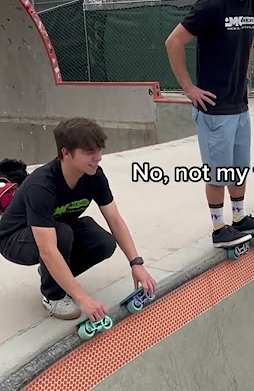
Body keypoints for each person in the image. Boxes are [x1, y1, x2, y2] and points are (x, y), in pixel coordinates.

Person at [165, 0, 254, 249]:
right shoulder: (212, 5)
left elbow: (249, 42)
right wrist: (188, 88)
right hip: (214, 109)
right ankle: (219, 230)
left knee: (239, 167)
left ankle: (240, 218)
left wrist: (244, 75)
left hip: (240, 105)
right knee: (218, 173)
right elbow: (173, 42)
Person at [0, 118, 156, 321]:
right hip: (14, 239)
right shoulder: (41, 186)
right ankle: (53, 296)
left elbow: (114, 219)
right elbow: (47, 249)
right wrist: (82, 297)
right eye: (90, 152)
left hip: (55, 229)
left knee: (103, 242)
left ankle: (52, 274)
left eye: (99, 150)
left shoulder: (94, 175)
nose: (98, 158)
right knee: (60, 235)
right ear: (65, 153)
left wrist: (137, 263)